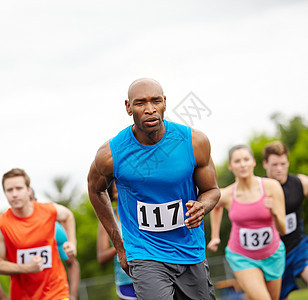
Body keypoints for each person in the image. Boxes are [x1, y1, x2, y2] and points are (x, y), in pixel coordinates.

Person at [88, 78, 221, 300]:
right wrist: (119, 244)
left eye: (155, 101)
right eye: (140, 103)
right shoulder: (111, 154)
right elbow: (95, 190)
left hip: (189, 250)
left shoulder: (194, 141)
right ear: (128, 107)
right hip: (144, 252)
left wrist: (202, 206)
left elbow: (213, 190)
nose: (150, 109)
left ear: (165, 103)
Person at [208, 145, 286, 300]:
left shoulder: (271, 186)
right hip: (242, 257)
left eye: (246, 159)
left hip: (273, 254)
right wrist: (215, 236)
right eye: (237, 161)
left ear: (253, 162)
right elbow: (215, 206)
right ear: (231, 166)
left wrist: (274, 212)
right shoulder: (228, 193)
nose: (242, 164)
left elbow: (282, 229)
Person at [0, 168, 77, 300]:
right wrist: (27, 267)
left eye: (18, 188)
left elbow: (68, 215)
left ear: (28, 190)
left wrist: (72, 243)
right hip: (23, 295)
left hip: (57, 291)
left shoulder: (48, 211)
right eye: (9, 190)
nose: (14, 194)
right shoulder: (3, 224)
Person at [263, 141, 308, 299]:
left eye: (283, 163)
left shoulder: (301, 182)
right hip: (272, 254)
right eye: (275, 164)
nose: (279, 169)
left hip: (298, 246)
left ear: (288, 163)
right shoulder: (257, 188)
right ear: (265, 164)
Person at [30, 188, 80, 300]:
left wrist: (73, 295)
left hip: (56, 293)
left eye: (30, 201)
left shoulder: (55, 229)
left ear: (36, 201)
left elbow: (72, 263)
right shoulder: (9, 228)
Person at [97, 180, 137, 300]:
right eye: (116, 191)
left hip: (150, 274)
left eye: (123, 190)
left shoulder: (140, 212)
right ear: (111, 194)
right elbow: (101, 257)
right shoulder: (107, 220)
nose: (120, 194)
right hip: (126, 280)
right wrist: (120, 245)